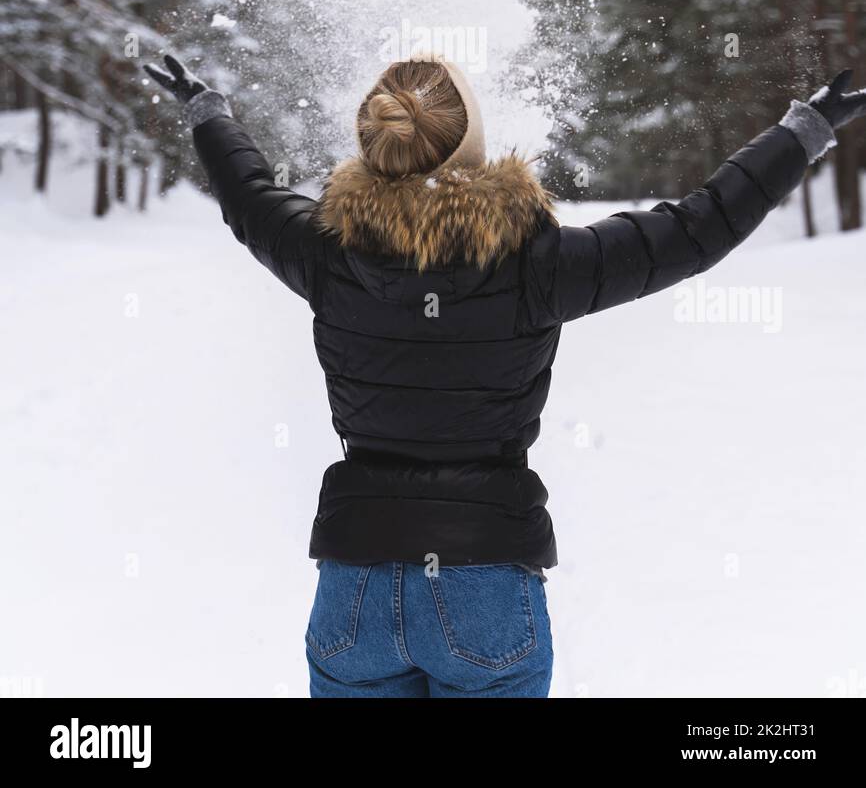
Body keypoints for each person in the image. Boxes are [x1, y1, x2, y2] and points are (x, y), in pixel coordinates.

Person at [144, 51, 865, 698]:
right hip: (484, 587)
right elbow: (696, 228)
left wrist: (208, 113)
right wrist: (801, 131)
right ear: (472, 145)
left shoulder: (327, 255)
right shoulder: (535, 265)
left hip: (353, 589)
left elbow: (248, 198)